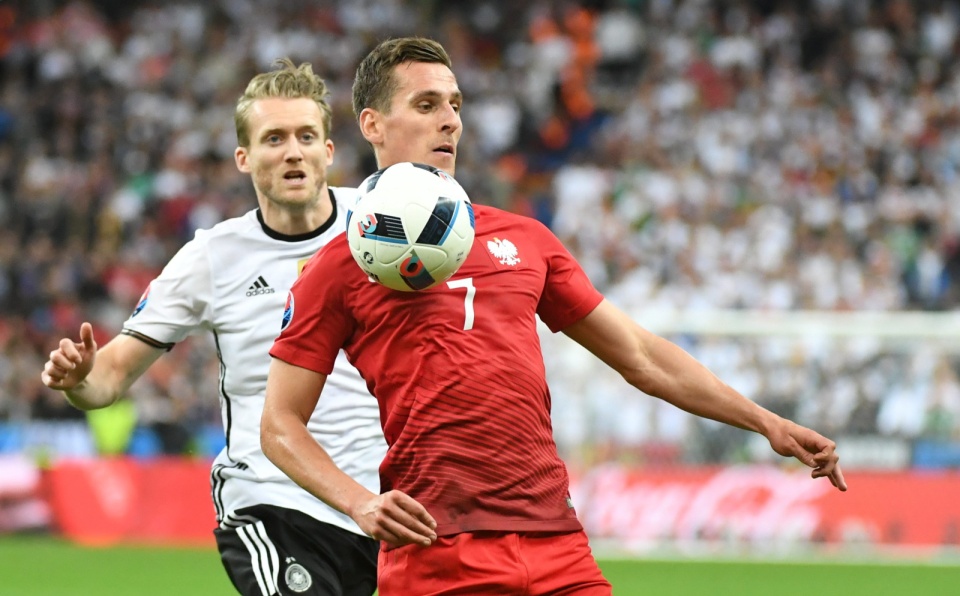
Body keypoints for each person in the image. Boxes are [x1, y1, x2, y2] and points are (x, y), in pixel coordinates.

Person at [261, 37, 847, 596]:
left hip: (556, 545)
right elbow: (280, 423)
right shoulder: (334, 268)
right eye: (426, 104)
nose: (450, 121)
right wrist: (359, 501)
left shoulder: (525, 238)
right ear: (372, 125)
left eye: (456, 105)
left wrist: (766, 422)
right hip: (438, 551)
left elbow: (641, 357)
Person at [40, 58, 385, 596]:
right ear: (243, 158)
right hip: (274, 505)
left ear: (329, 151)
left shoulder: (381, 225)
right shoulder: (212, 257)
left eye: (305, 136)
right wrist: (79, 377)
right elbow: (107, 379)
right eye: (274, 138)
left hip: (385, 506)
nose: (293, 150)